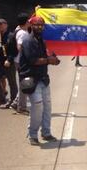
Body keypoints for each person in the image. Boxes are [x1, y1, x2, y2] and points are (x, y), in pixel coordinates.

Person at [19, 16, 60, 145]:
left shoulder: (41, 40)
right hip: (32, 79)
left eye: (41, 25)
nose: (39, 27)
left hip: (43, 78)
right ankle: (32, 134)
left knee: (47, 107)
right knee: (37, 106)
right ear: (31, 26)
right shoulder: (28, 41)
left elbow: (44, 56)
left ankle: (46, 133)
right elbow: (33, 60)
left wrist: (53, 59)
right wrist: (49, 60)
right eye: (36, 25)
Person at [7, 13, 31, 114]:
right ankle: (21, 107)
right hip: (22, 61)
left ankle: (16, 103)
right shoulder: (23, 33)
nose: (30, 22)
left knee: (24, 83)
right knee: (25, 84)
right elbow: (19, 46)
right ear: (26, 22)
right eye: (28, 20)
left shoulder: (18, 30)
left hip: (18, 61)